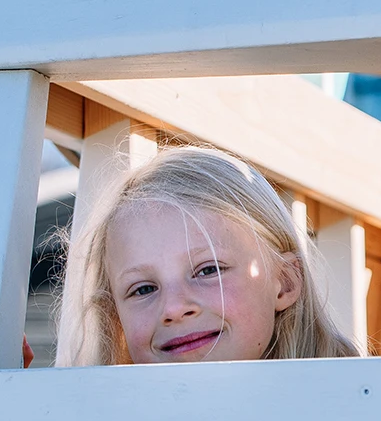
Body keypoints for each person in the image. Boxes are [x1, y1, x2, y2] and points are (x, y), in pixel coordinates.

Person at [58, 146, 359, 365]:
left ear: (285, 281)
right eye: (144, 289)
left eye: (208, 270)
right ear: (115, 318)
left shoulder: (362, 407)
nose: (174, 308)